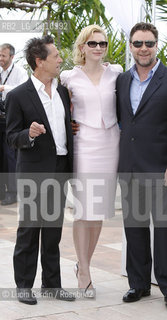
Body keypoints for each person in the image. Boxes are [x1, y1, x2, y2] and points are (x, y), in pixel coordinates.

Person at [116, 22, 167, 309]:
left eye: (148, 43)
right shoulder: (123, 80)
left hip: (161, 169)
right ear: (131, 47)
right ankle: (138, 284)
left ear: (156, 45)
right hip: (130, 167)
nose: (143, 48)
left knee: (162, 228)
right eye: (137, 43)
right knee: (134, 227)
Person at [6, 35, 75, 305]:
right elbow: (11, 136)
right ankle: (24, 285)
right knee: (30, 229)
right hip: (34, 171)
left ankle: (52, 285)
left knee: (53, 230)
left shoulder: (61, 90)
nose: (60, 60)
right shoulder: (18, 95)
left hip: (60, 167)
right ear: (40, 61)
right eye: (55, 56)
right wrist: (29, 134)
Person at [60, 25, 122, 292]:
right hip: (84, 145)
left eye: (103, 43)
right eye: (93, 43)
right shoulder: (68, 77)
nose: (98, 48)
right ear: (82, 47)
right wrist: (67, 123)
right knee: (84, 210)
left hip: (111, 144)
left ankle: (83, 263)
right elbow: (56, 106)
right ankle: (84, 271)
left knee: (99, 212)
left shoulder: (117, 72)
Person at [0, 43, 28, 205]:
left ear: (12, 56)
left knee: (11, 156)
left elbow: (23, 90)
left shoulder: (20, 72)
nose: (0, 59)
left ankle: (12, 192)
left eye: (3, 56)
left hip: (11, 119)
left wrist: (4, 88)